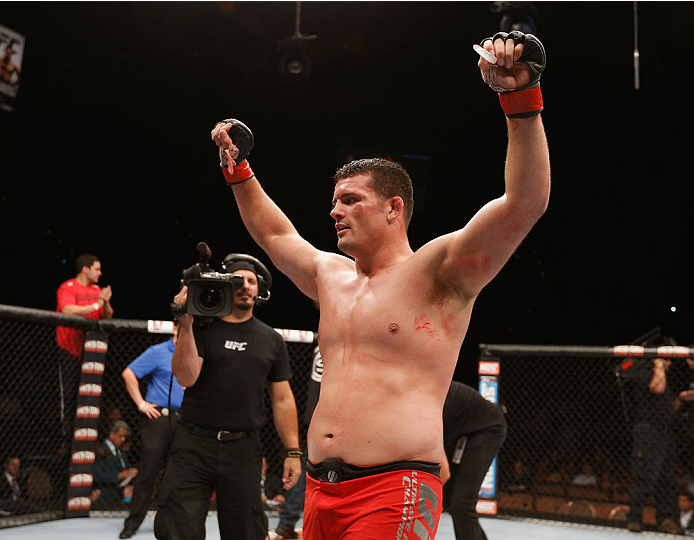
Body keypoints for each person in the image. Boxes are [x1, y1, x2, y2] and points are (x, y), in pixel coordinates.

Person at [211, 29, 550, 540]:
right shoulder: (331, 276)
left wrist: (519, 99)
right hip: (320, 490)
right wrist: (239, 172)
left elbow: (524, 203)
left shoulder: (439, 270)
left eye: (351, 200)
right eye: (334, 201)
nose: (335, 211)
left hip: (396, 487)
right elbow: (275, 232)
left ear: (395, 209)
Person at [153, 254, 302, 540]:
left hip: (243, 450)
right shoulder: (201, 328)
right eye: (237, 280)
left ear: (260, 290)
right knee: (177, 529)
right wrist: (185, 324)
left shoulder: (271, 340)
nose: (244, 286)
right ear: (224, 286)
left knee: (246, 532)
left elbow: (282, 399)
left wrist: (293, 452)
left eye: (250, 281)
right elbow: (185, 378)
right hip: (193, 446)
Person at [119, 326, 184, 539]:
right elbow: (129, 373)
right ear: (175, 326)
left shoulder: (195, 352)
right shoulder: (158, 351)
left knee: (179, 474)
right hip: (158, 419)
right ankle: (133, 522)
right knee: (148, 472)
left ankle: (173, 522)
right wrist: (141, 403)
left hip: (184, 420)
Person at [441, 381, 507, 540]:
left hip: (487, 428)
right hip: (462, 431)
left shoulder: (426, 406)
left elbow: (443, 473)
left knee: (461, 504)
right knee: (451, 501)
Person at [625, 357, 682, 534]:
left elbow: (667, 405)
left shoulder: (662, 377)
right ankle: (635, 518)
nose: (670, 364)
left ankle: (665, 519)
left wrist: (682, 398)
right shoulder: (645, 375)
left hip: (664, 432)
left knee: (667, 478)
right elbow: (657, 388)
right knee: (644, 476)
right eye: (667, 360)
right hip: (648, 432)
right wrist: (659, 366)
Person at [56, 253, 114, 357]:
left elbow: (108, 317)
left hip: (91, 345)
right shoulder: (67, 287)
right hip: (68, 347)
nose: (100, 273)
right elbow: (67, 310)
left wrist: (106, 302)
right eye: (96, 269)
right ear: (85, 270)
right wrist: (95, 306)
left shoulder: (97, 290)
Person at [94, 420, 138, 504]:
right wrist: (118, 476)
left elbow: (125, 467)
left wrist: (130, 473)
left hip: (120, 493)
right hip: (105, 495)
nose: (123, 439)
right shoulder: (100, 451)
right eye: (120, 436)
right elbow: (96, 474)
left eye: (125, 437)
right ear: (112, 434)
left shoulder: (121, 452)